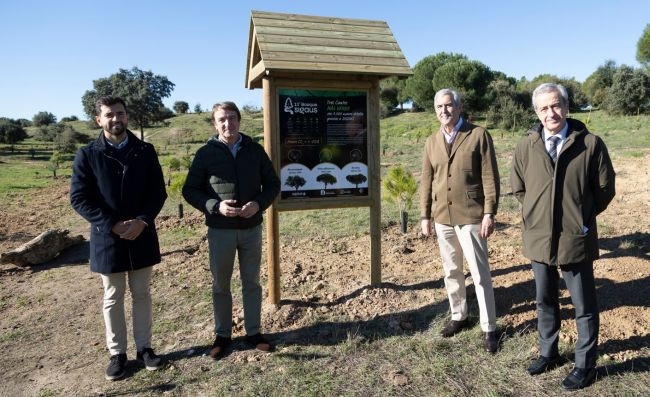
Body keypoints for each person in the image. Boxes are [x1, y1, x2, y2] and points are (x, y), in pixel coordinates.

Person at [511, 83, 616, 390]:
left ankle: (585, 365)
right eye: (543, 108)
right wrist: (535, 214)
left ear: (567, 107)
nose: (551, 113)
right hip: (538, 238)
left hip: (575, 238)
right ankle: (549, 352)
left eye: (556, 106)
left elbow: (605, 190)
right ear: (536, 112)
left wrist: (580, 218)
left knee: (583, 305)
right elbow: (519, 188)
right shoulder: (525, 145)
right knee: (544, 300)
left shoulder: (590, 144)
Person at [70, 96, 167, 380]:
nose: (116, 119)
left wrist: (142, 221)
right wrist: (111, 224)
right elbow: (79, 197)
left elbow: (157, 192)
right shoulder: (87, 155)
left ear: (127, 117)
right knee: (113, 296)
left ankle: (145, 349)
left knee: (142, 294)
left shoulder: (145, 151)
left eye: (120, 113)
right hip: (107, 238)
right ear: (98, 120)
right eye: (109, 114)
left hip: (141, 234)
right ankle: (117, 354)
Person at [182, 101, 280, 360]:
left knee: (251, 282)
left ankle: (254, 333)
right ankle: (222, 336)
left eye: (232, 118)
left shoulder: (255, 151)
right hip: (220, 231)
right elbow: (190, 190)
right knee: (220, 285)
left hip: (250, 229)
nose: (228, 124)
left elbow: (272, 184)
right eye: (222, 119)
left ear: (239, 120)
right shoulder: (205, 154)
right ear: (215, 124)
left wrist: (258, 204)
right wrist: (215, 206)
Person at [420, 88, 500, 353]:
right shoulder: (432, 142)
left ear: (459, 107)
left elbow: (490, 177)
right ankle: (459, 315)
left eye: (448, 106)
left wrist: (489, 213)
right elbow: (426, 181)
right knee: (451, 270)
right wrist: (425, 215)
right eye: (439, 107)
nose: (444, 111)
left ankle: (489, 327)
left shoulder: (478, 135)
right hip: (443, 216)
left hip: (472, 216)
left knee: (479, 274)